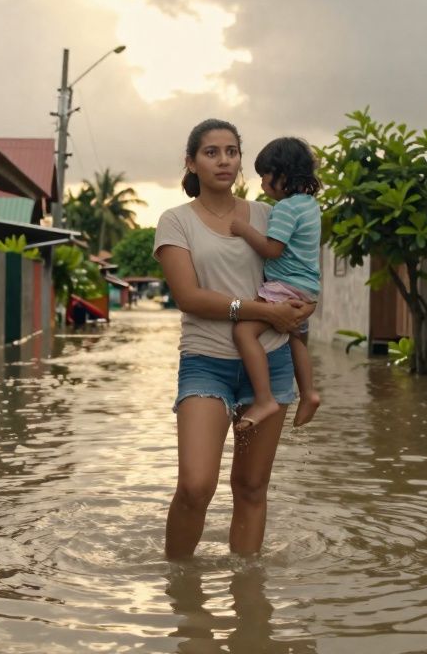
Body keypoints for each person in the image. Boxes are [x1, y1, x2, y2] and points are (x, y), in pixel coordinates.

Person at [153, 119, 315, 559]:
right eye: (211, 152)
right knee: (195, 485)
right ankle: (178, 584)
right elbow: (189, 297)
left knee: (251, 487)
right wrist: (264, 311)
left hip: (272, 361)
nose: (223, 160)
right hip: (206, 363)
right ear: (191, 162)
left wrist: (303, 308)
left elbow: (299, 272)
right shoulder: (175, 222)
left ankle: (247, 589)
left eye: (231, 151)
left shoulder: (268, 214)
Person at [228, 137, 322, 432]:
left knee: (243, 332)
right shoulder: (310, 205)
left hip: (285, 287)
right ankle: (309, 393)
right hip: (307, 288)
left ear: (283, 174)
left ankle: (264, 398)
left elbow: (272, 249)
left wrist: (243, 229)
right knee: (294, 339)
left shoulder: (286, 209)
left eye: (265, 175)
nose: (262, 183)